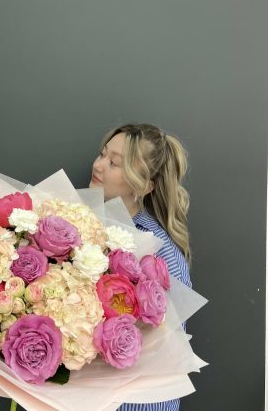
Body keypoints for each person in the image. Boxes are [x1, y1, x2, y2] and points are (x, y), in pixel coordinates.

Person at [89, 123, 192, 411]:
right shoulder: (79, 227)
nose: (98, 165)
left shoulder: (160, 256)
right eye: (102, 154)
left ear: (144, 185)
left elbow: (163, 361)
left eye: (114, 163)